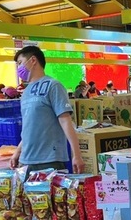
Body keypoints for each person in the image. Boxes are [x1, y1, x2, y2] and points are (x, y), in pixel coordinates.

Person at [9, 46, 83, 174]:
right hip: (26, 161)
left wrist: (76, 154)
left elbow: (66, 121)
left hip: (49, 160)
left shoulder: (53, 85)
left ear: (33, 60)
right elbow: (29, 127)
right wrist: (18, 151)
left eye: (20, 63)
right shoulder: (26, 92)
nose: (18, 68)